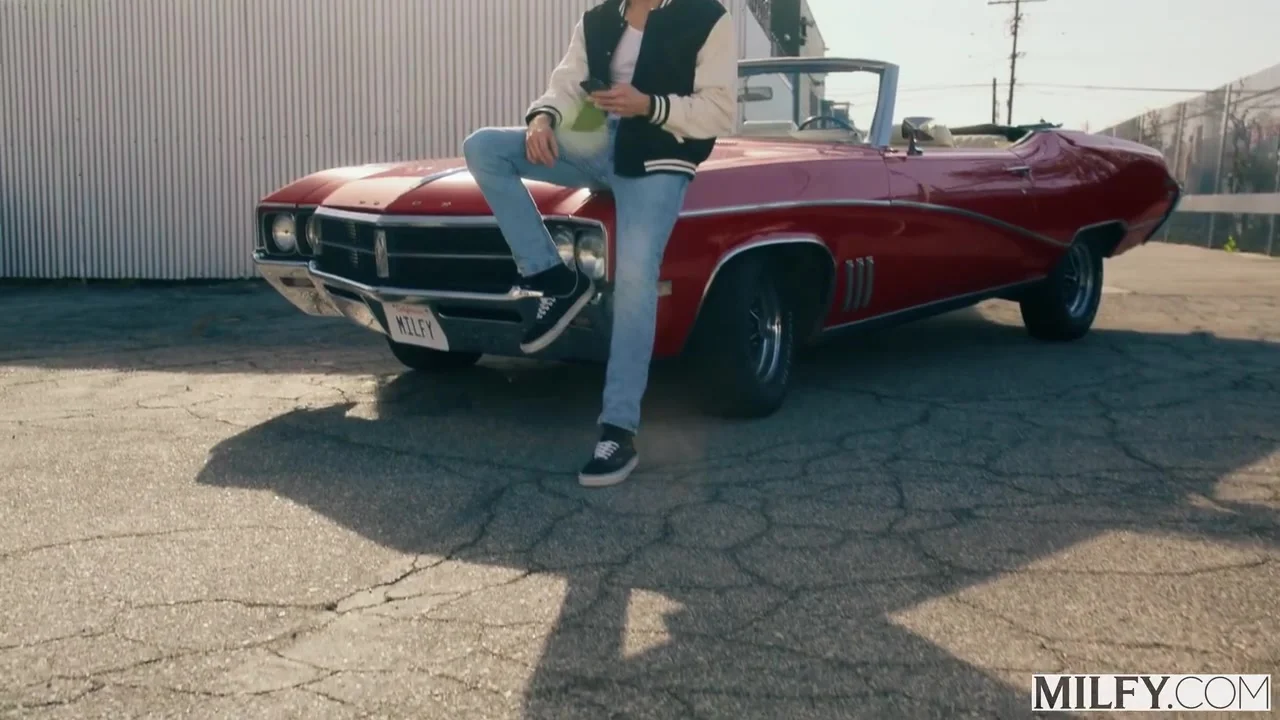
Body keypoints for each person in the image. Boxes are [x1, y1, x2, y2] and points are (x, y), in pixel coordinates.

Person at [461, 0, 737, 487]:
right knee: (483, 147)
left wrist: (649, 105)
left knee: (634, 279)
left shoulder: (707, 16)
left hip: (658, 158)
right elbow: (567, 83)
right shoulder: (598, 19)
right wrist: (543, 120)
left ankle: (618, 431)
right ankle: (553, 277)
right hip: (593, 144)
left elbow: (720, 111)